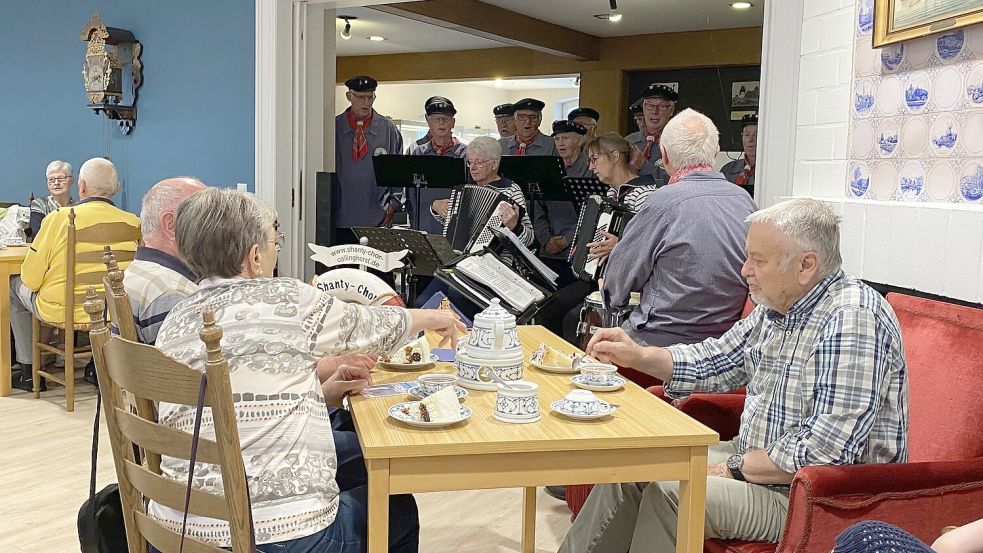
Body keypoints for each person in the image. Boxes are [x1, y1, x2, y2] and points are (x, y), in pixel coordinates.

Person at [560, 197, 909, 553]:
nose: (744, 270)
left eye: (758, 260)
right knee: (634, 467)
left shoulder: (852, 319)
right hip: (758, 465)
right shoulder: (777, 308)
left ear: (806, 265)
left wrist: (734, 467)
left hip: (813, 497)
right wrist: (638, 355)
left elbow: (824, 451)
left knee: (674, 494)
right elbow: (717, 359)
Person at [153, 188, 465, 552]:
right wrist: (435, 316)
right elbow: (369, 325)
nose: (276, 249)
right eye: (275, 240)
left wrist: (320, 395)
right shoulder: (286, 300)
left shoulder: (175, 320)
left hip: (178, 531)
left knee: (354, 466)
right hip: (274, 536)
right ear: (255, 257)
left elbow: (232, 404)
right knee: (397, 508)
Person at [604, 110, 757, 347]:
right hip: (726, 345)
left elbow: (618, 281)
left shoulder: (662, 201)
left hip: (661, 343)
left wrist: (610, 295)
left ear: (664, 155)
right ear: (715, 153)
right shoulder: (745, 201)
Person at [10, 158, 140, 392]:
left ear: (80, 186)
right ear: (116, 188)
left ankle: (29, 372)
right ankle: (95, 366)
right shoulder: (133, 223)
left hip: (63, 309)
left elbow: (30, 278)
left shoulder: (59, 219)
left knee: (12, 285)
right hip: (111, 311)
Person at [122, 177, 206, 345]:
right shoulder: (172, 295)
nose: (213, 227)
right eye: (204, 216)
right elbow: (187, 369)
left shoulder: (138, 271)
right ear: (170, 224)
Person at [334, 75, 403, 244]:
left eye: (370, 97)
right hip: (340, 219)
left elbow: (399, 172)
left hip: (377, 220)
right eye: (360, 97)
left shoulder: (388, 129)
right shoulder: (334, 127)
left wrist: (392, 205)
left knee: (375, 270)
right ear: (349, 97)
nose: (366, 102)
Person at [432, 136, 533, 247]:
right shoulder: (466, 190)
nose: (472, 168)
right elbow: (453, 224)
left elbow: (529, 240)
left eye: (479, 162)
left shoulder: (511, 190)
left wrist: (515, 227)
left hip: (498, 261)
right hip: (463, 259)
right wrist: (435, 206)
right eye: (470, 162)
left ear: (495, 164)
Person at [581, 133, 661, 264]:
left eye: (594, 159)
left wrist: (619, 245)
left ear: (614, 156)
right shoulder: (611, 193)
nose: (590, 167)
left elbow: (652, 244)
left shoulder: (645, 193)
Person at [406, 96, 467, 234]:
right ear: (428, 121)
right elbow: (410, 196)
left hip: (455, 230)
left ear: (453, 122)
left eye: (446, 118)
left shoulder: (465, 154)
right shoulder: (417, 153)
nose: (441, 123)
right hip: (423, 228)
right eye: (436, 118)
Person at [625, 83, 675, 182]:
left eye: (662, 106)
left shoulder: (679, 144)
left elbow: (678, 180)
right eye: (650, 106)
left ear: (671, 110)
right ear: (643, 107)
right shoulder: (628, 141)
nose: (655, 112)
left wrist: (644, 166)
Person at [30, 160, 75, 236]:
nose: (56, 183)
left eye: (61, 178)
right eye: (51, 180)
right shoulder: (40, 204)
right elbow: (38, 232)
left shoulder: (79, 206)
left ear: (71, 181)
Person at [720, 113, 757, 197]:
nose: (750, 139)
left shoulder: (769, 172)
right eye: (747, 135)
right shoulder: (728, 170)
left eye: (756, 135)